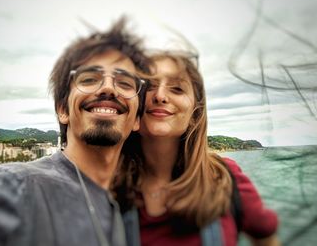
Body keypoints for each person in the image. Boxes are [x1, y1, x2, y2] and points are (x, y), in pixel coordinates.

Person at [0, 18, 150, 246]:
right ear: (63, 110)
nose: (108, 88)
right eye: (90, 79)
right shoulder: (15, 186)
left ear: (137, 120)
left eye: (124, 83)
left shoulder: (122, 209)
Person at [114, 50, 279, 246]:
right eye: (149, 86)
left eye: (177, 89)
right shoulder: (110, 185)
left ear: (195, 113)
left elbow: (266, 239)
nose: (160, 96)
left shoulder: (225, 177)